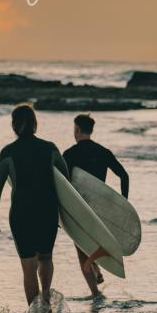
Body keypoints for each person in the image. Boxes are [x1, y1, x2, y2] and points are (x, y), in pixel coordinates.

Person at [0, 104, 69, 308]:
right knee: (46, 257)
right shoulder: (50, 148)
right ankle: (47, 302)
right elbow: (66, 182)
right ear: (35, 124)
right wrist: (66, 216)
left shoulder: (7, 152)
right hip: (47, 211)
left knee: (28, 266)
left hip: (21, 214)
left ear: (14, 125)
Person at [63, 113, 130, 297]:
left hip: (79, 210)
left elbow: (63, 187)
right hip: (100, 210)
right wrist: (124, 204)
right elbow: (124, 176)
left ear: (77, 130)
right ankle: (97, 269)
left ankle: (95, 293)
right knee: (94, 243)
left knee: (82, 250)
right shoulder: (103, 152)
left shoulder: (69, 154)